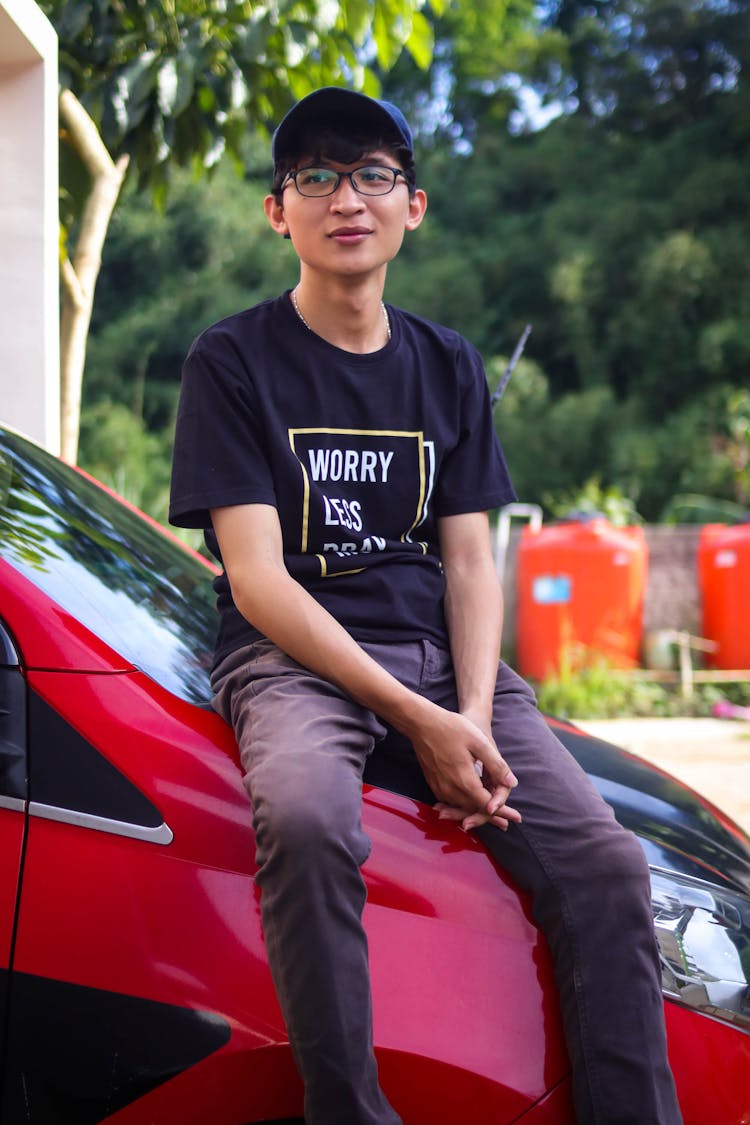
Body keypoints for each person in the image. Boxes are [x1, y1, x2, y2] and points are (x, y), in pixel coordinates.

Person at [169, 86, 682, 1125]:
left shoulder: (446, 364)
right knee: (310, 820)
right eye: (315, 176)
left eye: (372, 175)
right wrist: (421, 725)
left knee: (607, 865)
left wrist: (477, 720)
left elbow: (472, 561)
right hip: (291, 659)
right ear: (279, 211)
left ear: (415, 206)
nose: (344, 198)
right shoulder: (232, 360)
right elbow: (257, 579)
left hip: (446, 659)